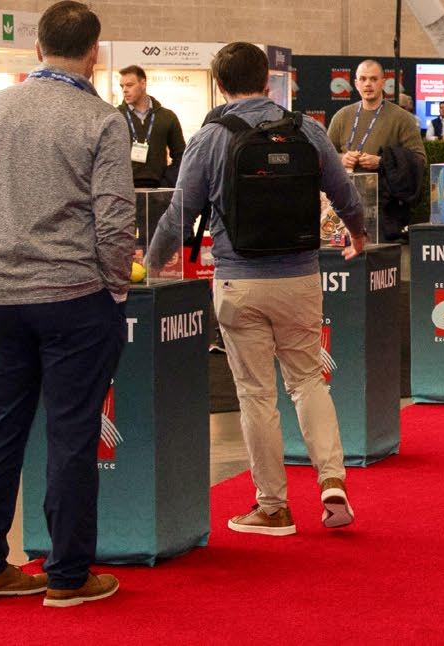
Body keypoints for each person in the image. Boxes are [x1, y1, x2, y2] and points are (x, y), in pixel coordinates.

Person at [143, 42, 369, 538]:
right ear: (268, 81)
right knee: (308, 380)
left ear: (219, 85)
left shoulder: (210, 137)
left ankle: (273, 507)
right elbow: (345, 195)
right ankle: (332, 481)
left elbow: (179, 213)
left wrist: (150, 264)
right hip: (301, 277)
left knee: (256, 395)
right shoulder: (307, 130)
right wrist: (358, 236)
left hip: (238, 281)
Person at [0, 0, 128, 609]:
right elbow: (114, 220)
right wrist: (114, 286)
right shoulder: (101, 120)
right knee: (72, 434)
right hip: (74, 297)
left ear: (37, 49)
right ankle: (68, 576)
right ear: (94, 52)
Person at [327, 59, 426, 241]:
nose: (368, 84)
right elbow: (324, 157)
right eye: (363, 79)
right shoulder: (341, 117)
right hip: (345, 208)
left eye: (373, 79)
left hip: (385, 211)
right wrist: (341, 158)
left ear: (383, 82)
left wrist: (382, 161)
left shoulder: (402, 118)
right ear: (356, 83)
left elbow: (419, 160)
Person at [117, 65, 187, 188]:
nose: (124, 90)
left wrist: (167, 182)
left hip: (159, 189)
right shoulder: (116, 116)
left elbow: (181, 155)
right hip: (125, 191)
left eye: (129, 85)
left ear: (143, 84)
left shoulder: (167, 116)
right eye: (122, 86)